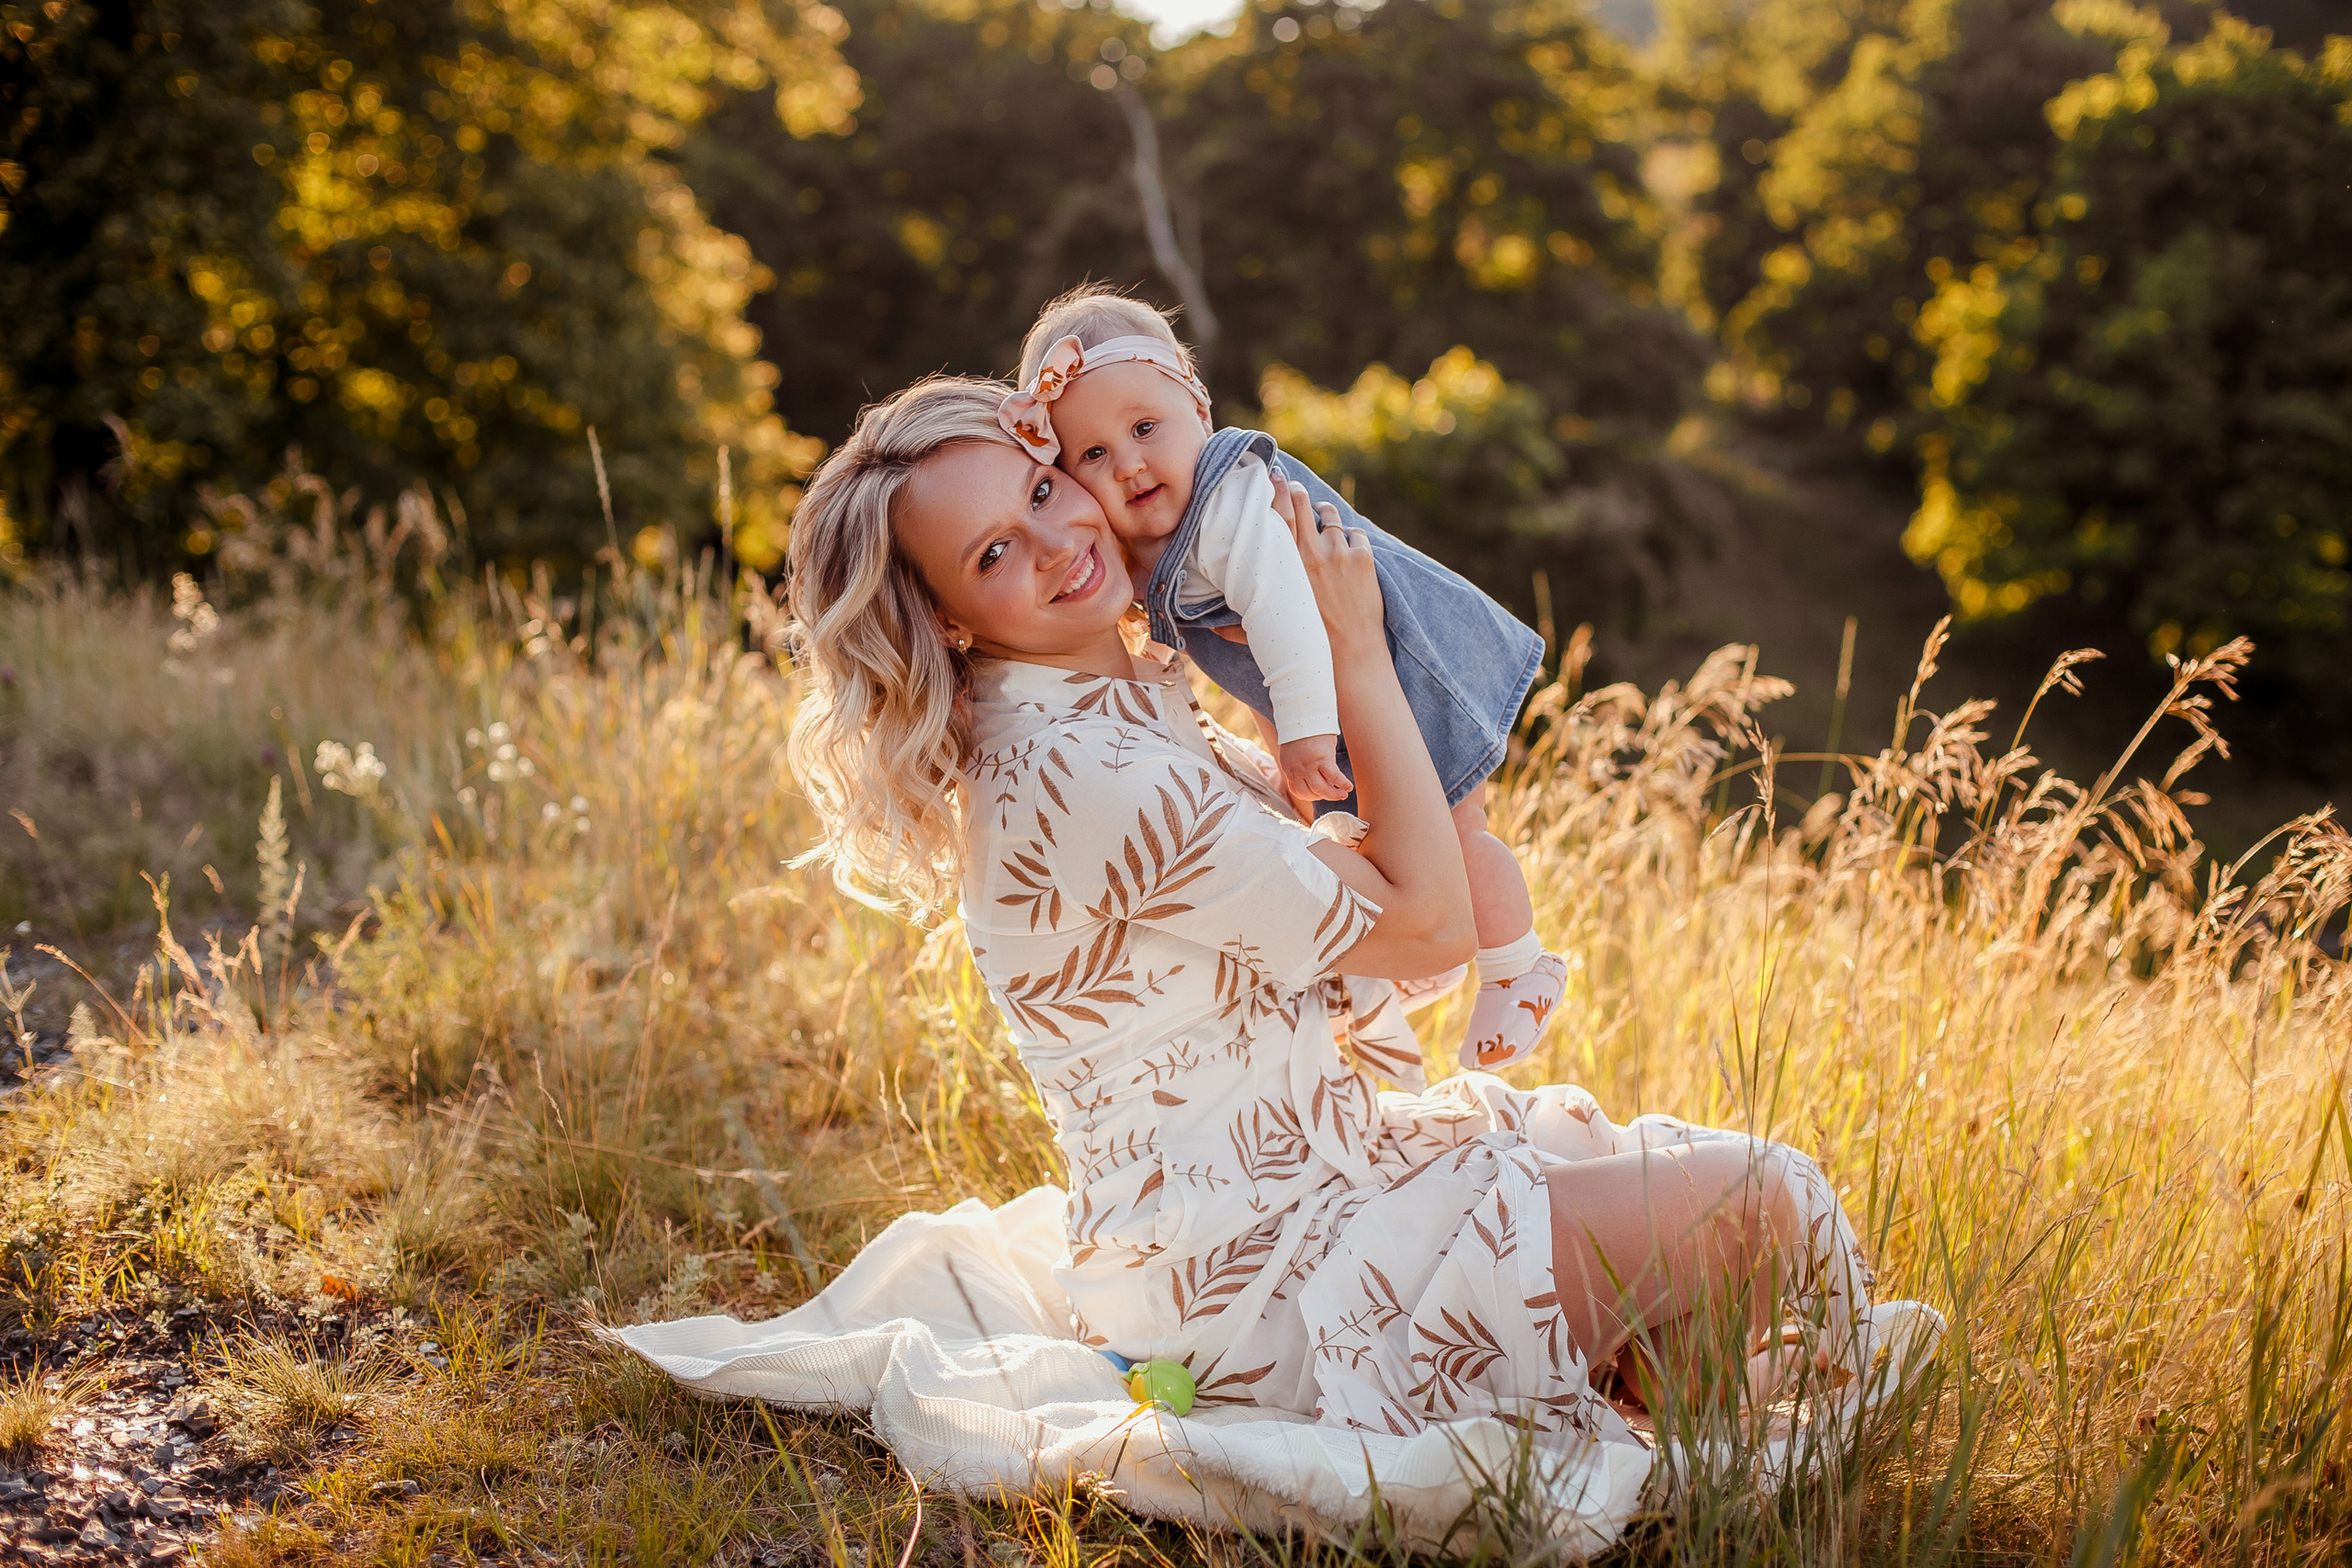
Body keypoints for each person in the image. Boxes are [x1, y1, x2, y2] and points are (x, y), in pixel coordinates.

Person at [784, 373, 1880, 1442]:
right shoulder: (1085, 773)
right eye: (991, 555)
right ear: (948, 618)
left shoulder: (1117, 706)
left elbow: (1380, 940)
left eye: (1037, 490)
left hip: (1315, 1180)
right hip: (1271, 1281)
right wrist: (1354, 649)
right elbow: (1431, 927)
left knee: (1636, 1196)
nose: (1058, 539)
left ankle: (1669, 1387)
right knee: (1760, 1200)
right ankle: (1647, 1379)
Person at [1004, 285, 1561, 1076]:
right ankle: (1399, 962)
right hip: (1328, 695)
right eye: (1093, 455)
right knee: (1375, 845)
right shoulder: (1156, 526)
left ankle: (1518, 964)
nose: (1127, 465)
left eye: (1144, 428)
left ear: (1197, 407)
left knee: (1456, 838)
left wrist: (1304, 736)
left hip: (1402, 675)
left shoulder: (1229, 501)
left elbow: (1286, 612)